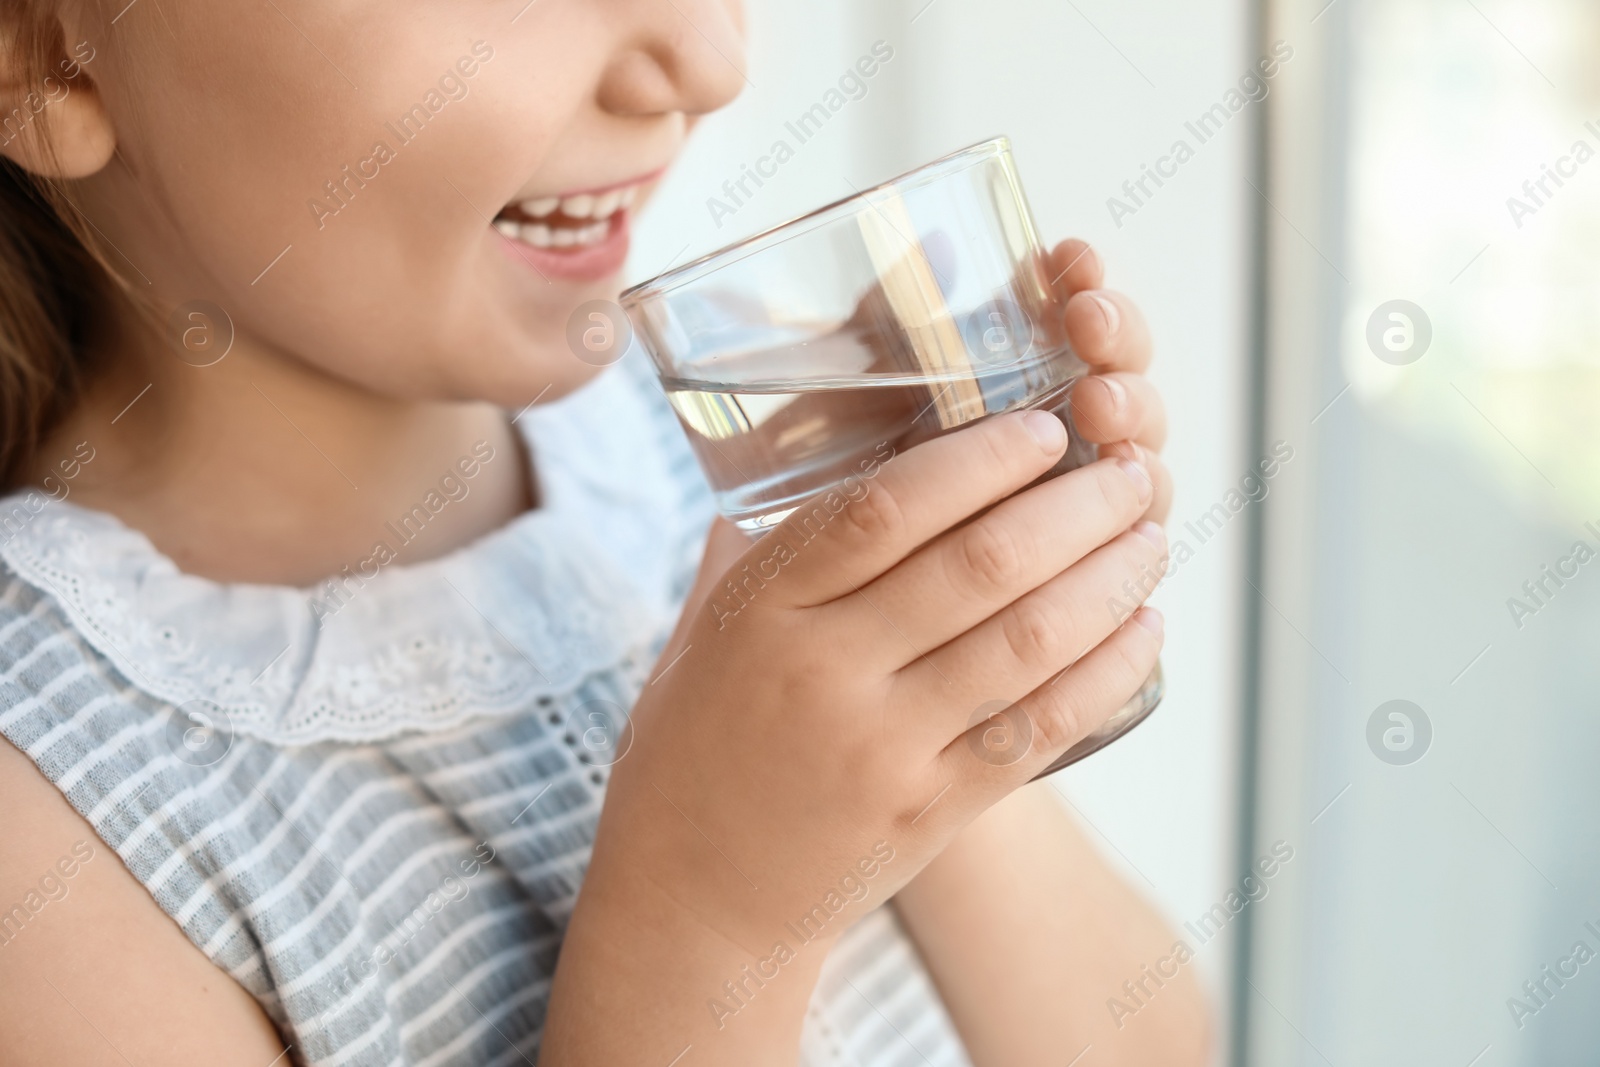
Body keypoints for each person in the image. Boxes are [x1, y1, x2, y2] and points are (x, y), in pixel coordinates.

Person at [0, 2, 1206, 1064]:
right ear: (46, 57)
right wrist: (710, 916)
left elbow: (1153, 1045)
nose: (706, 55)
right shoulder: (45, 835)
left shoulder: (714, 430)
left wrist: (957, 640)